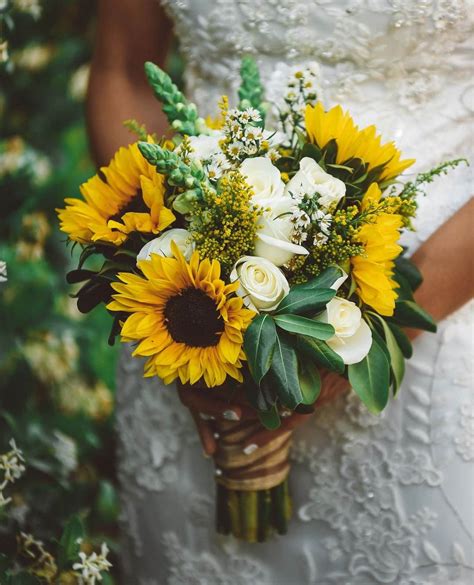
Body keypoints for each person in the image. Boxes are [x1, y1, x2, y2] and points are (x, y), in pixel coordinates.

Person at [87, 1, 474, 583]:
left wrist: (363, 335)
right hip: (187, 325)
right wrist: (169, 274)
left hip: (431, 322)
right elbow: (123, 70)